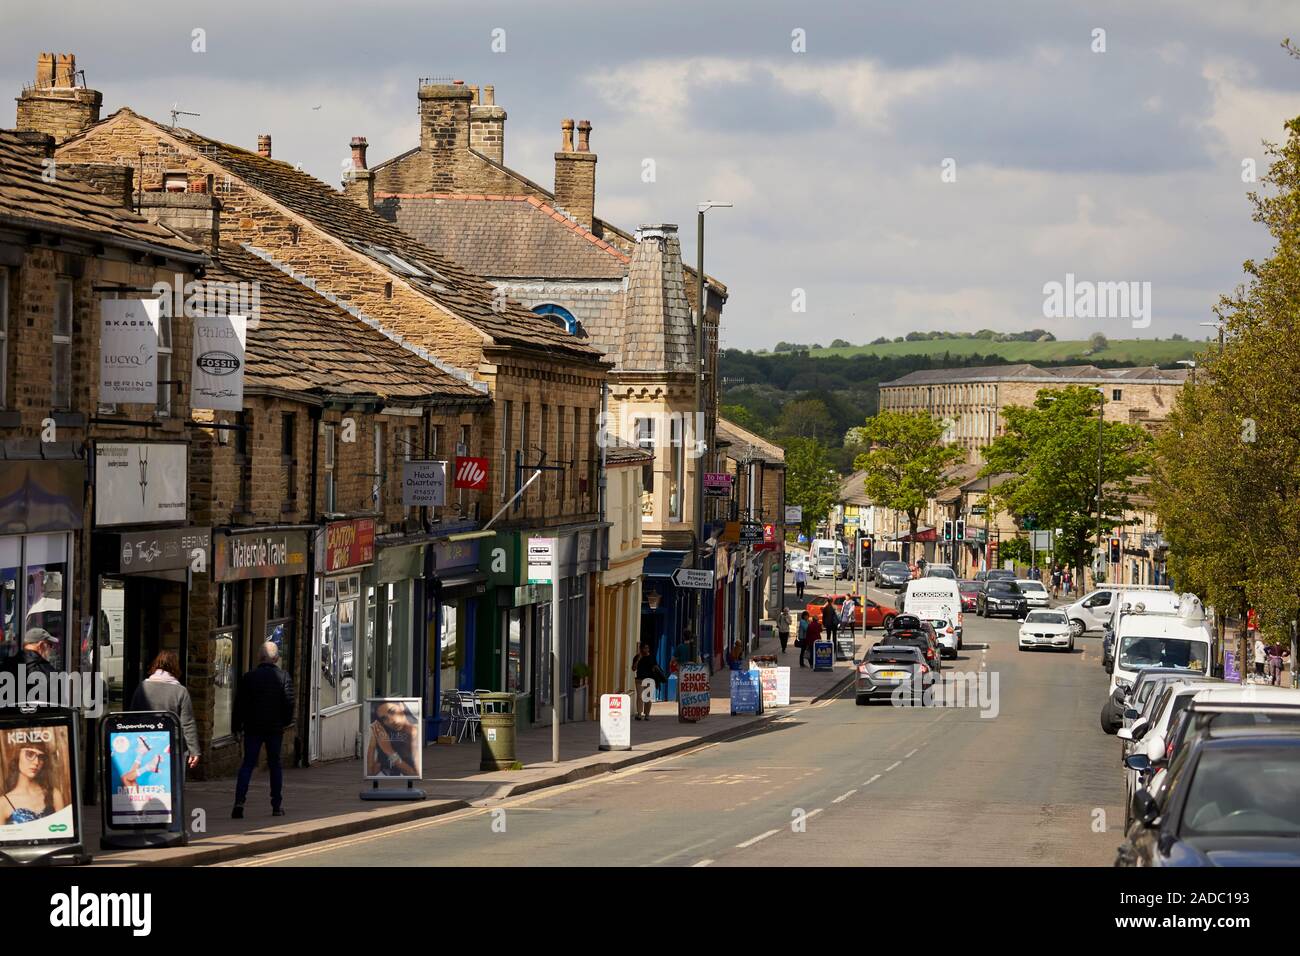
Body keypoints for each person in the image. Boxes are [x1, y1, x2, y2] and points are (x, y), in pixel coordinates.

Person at [231, 641, 295, 819]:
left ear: (260, 657)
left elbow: (239, 705)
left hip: (253, 727)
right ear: (276, 658)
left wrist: (236, 727)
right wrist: (284, 722)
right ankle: (276, 805)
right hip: (274, 728)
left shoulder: (249, 677)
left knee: (247, 764)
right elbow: (289, 703)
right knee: (275, 765)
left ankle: (239, 803)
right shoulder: (283, 677)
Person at [131, 650, 201, 770]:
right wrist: (194, 751)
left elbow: (133, 716)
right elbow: (187, 723)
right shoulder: (180, 691)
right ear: (175, 667)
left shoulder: (142, 687)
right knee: (174, 782)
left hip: (147, 743)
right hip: (173, 746)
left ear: (155, 665)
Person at [1, 736, 67, 826]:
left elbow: (63, 834)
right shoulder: (3, 803)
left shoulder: (54, 794)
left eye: (40, 757)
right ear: (17, 756)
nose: (36, 762)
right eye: (30, 754)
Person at [0, 628, 58, 704]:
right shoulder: (48, 672)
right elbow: (56, 705)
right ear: (41, 645)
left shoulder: (5, 666)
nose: (51, 649)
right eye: (50, 645)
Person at [632, 643, 664, 720]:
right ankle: (639, 714)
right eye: (644, 648)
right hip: (639, 679)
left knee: (647, 698)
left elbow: (655, 666)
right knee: (639, 697)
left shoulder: (651, 657)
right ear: (641, 649)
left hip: (649, 679)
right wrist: (638, 659)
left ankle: (647, 714)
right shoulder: (637, 657)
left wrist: (660, 674)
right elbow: (633, 668)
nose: (646, 650)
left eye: (647, 648)